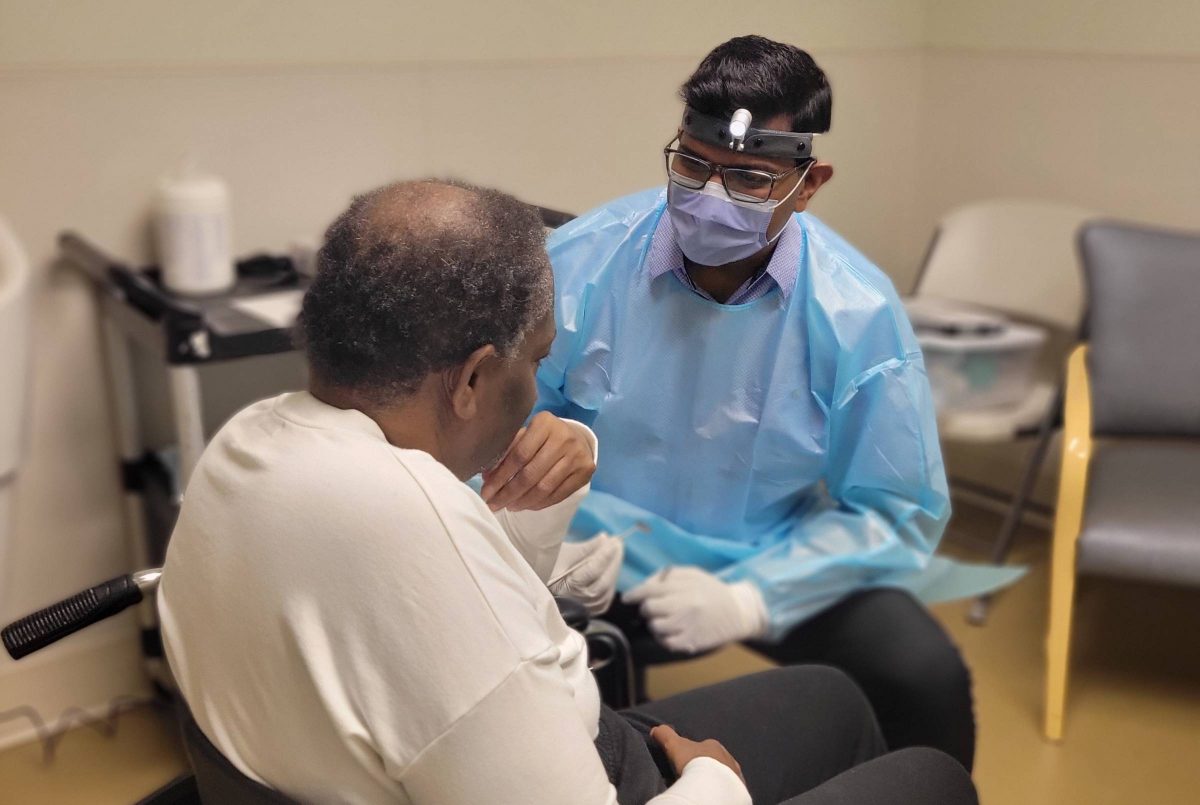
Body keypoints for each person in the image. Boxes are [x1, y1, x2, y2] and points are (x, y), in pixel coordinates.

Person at [157, 179, 977, 804]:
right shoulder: (424, 538)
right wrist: (712, 787)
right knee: (930, 776)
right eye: (537, 358)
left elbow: (400, 613)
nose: (541, 381)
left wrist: (525, 543)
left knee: (833, 696)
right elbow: (444, 605)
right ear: (475, 376)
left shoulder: (248, 444)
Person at [485, 35, 975, 769]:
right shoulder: (581, 263)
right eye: (693, 165)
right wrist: (537, 538)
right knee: (497, 677)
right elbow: (486, 433)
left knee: (921, 670)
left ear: (809, 183)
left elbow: (895, 512)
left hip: (767, 549)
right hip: (591, 550)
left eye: (749, 177)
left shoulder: (855, 313)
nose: (711, 197)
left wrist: (753, 595)